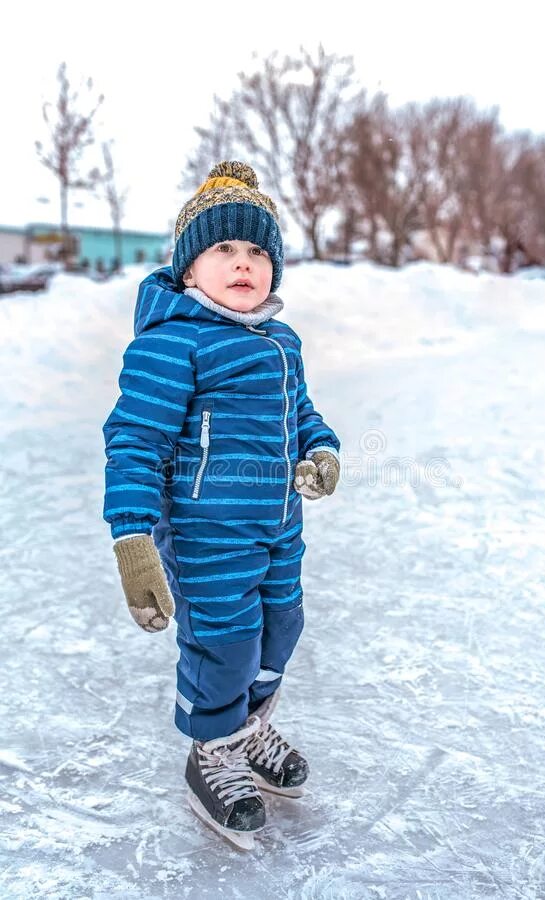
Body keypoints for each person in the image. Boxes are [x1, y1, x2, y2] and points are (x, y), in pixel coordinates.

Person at [102, 160, 341, 849]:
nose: (244, 263)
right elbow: (135, 442)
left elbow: (304, 415)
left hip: (277, 529)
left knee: (281, 629)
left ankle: (247, 726)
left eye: (258, 250)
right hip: (208, 537)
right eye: (223, 248)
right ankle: (212, 750)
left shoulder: (280, 344)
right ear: (188, 270)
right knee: (224, 645)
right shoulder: (172, 343)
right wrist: (133, 539)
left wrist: (320, 453)